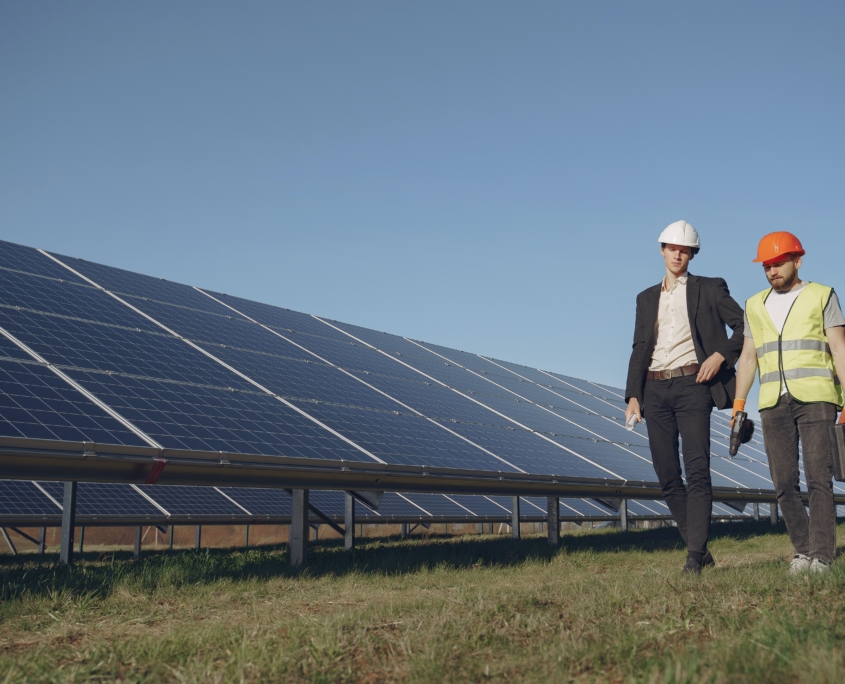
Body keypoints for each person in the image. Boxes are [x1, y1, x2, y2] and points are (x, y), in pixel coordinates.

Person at [625, 221, 745, 574]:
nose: (678, 254)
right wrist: (633, 395)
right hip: (654, 389)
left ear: (692, 254)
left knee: (697, 470)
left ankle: (694, 555)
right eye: (672, 248)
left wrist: (720, 355)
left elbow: (744, 325)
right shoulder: (646, 298)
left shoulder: (710, 288)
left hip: (694, 385)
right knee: (666, 473)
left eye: (685, 250)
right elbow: (638, 347)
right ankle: (699, 548)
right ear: (662, 250)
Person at [733, 232, 845, 574]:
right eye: (766, 266)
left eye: (778, 264)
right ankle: (803, 549)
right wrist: (739, 405)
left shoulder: (822, 295)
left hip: (817, 398)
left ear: (798, 260)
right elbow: (748, 357)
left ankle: (823, 554)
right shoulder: (754, 304)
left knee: (818, 479)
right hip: (772, 403)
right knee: (782, 482)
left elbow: (839, 348)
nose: (771, 271)